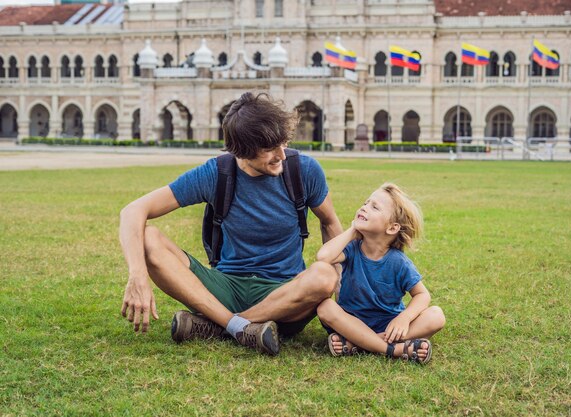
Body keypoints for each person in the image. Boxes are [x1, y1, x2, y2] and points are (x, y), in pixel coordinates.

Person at [119, 92, 342, 355]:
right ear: (242, 150)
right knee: (149, 238)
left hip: (285, 294)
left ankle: (220, 325)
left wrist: (345, 303)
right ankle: (238, 326)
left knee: (324, 275)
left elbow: (330, 224)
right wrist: (137, 275)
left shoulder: (303, 170)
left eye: (283, 143)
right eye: (269, 148)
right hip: (225, 285)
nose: (281, 154)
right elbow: (133, 211)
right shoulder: (217, 173)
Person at [316, 183, 445, 364]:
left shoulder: (398, 262)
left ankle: (359, 344)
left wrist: (404, 319)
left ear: (392, 228)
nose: (364, 207)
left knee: (436, 315)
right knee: (325, 307)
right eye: (366, 203)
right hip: (350, 322)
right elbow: (323, 257)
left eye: (374, 207)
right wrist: (353, 230)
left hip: (388, 325)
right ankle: (392, 349)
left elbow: (422, 295)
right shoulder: (352, 249)